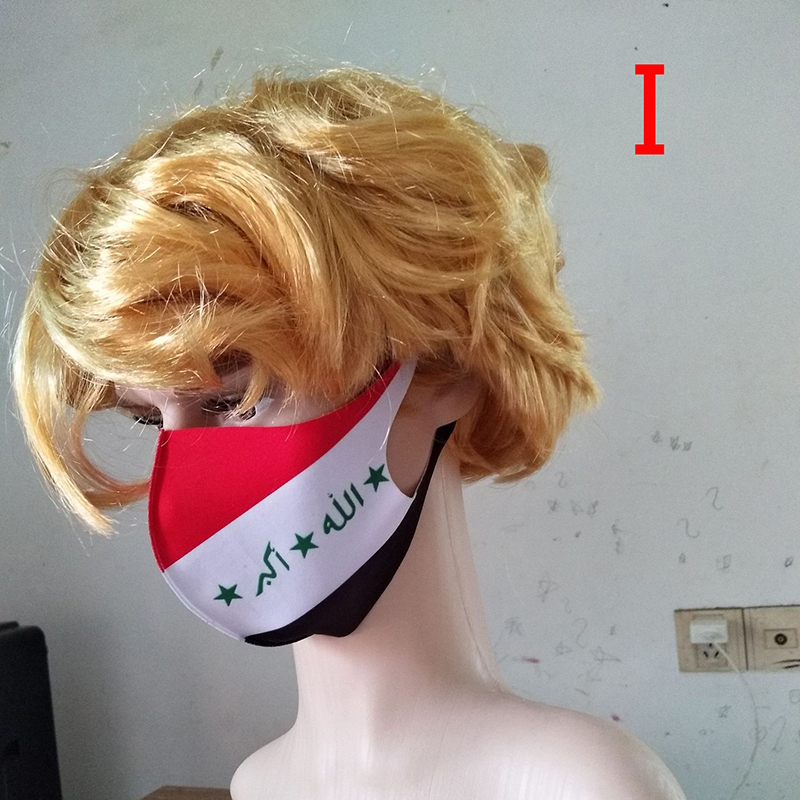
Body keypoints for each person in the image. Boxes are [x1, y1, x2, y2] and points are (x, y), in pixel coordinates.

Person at [11, 65, 686, 799]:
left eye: (238, 398)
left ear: (447, 367)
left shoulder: (585, 784)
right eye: (150, 418)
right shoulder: (256, 784)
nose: (189, 476)